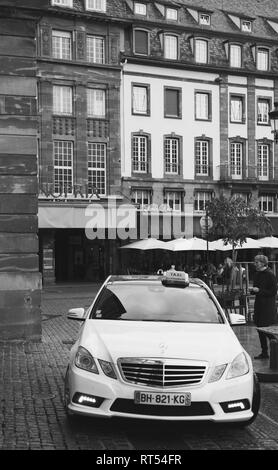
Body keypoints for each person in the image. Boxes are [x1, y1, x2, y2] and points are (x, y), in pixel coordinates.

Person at [249, 254, 277, 359]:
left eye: (257, 262)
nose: (255, 264)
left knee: (264, 329)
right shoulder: (257, 274)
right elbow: (257, 290)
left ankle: (274, 346)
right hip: (259, 304)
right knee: (259, 328)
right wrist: (252, 290)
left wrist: (259, 290)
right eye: (255, 262)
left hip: (267, 306)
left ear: (263, 263)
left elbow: (273, 292)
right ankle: (264, 352)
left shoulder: (270, 275)